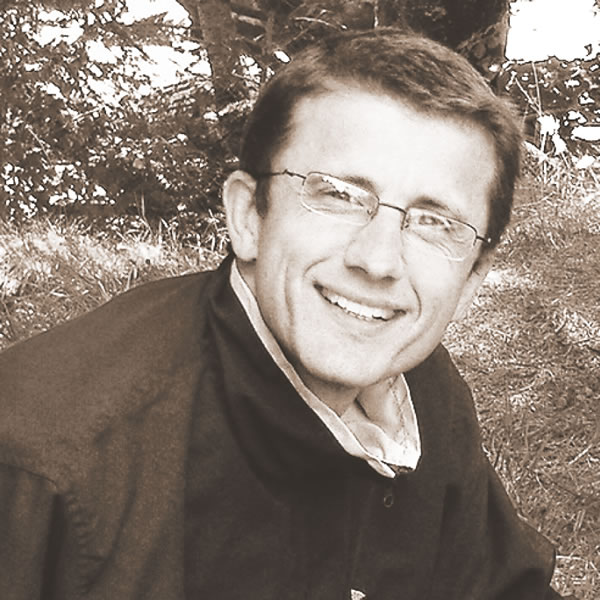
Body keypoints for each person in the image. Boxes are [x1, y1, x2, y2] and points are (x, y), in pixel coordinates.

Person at [0, 29, 574, 600]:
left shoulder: (422, 392)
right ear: (248, 216)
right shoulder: (42, 464)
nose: (378, 260)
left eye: (435, 223)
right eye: (340, 195)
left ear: (471, 278)